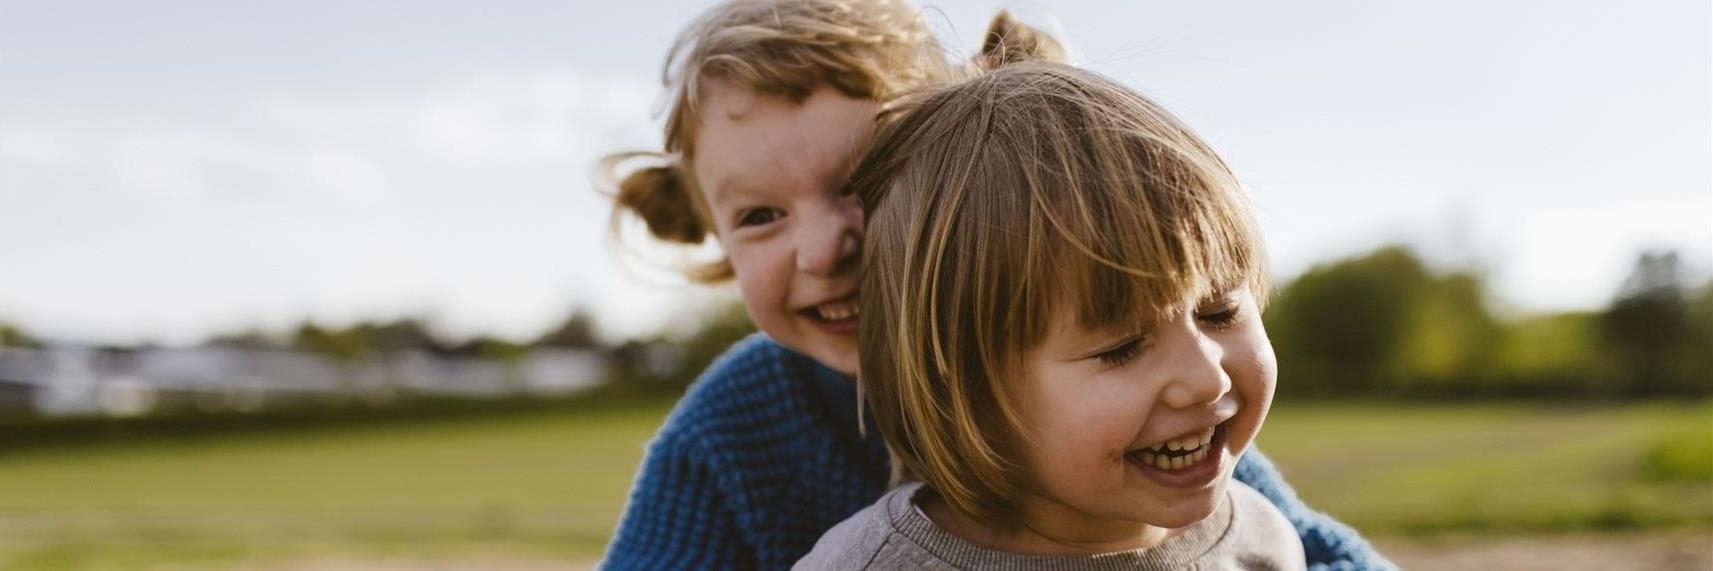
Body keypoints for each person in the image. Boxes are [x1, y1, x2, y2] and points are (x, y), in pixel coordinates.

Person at [599, 1, 1388, 569]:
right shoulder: (735, 427)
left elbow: (1296, 541)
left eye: (861, 183)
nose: (823, 246)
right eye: (761, 215)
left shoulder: (1137, 398)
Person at [800, 59, 1332, 570]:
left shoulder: (1264, 541)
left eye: (1219, 313)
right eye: (1120, 348)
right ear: (969, 394)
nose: (1203, 377)